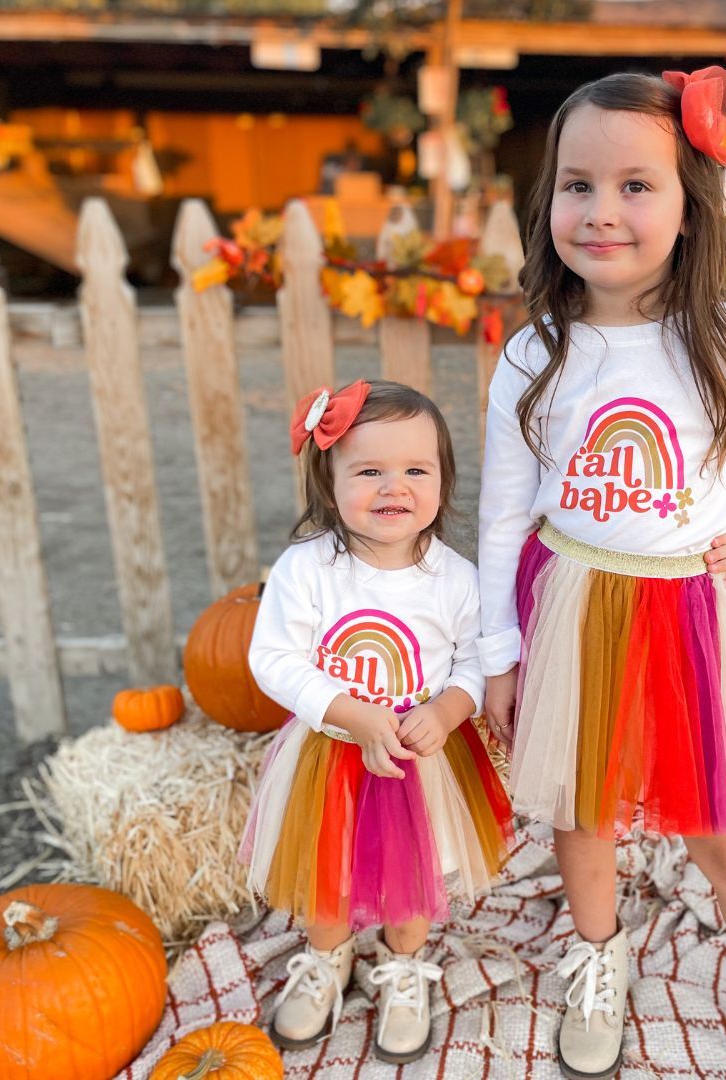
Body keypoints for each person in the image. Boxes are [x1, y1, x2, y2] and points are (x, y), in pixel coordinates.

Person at [477, 68, 726, 1080]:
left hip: (689, 614)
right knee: (583, 812)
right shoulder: (535, 356)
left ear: (692, 205)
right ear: (546, 198)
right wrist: (498, 653)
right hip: (571, 605)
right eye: (577, 185)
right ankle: (598, 958)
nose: (601, 212)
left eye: (636, 186)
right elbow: (505, 514)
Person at [241, 379, 513, 1062]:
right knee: (329, 867)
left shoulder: (454, 579)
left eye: (415, 470)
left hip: (420, 757)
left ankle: (404, 967)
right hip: (332, 751)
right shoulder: (308, 571)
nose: (395, 487)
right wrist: (347, 712)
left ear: (443, 482)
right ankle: (327, 956)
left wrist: (449, 709)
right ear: (329, 485)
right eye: (369, 471)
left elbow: (475, 664)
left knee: (411, 872)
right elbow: (272, 658)